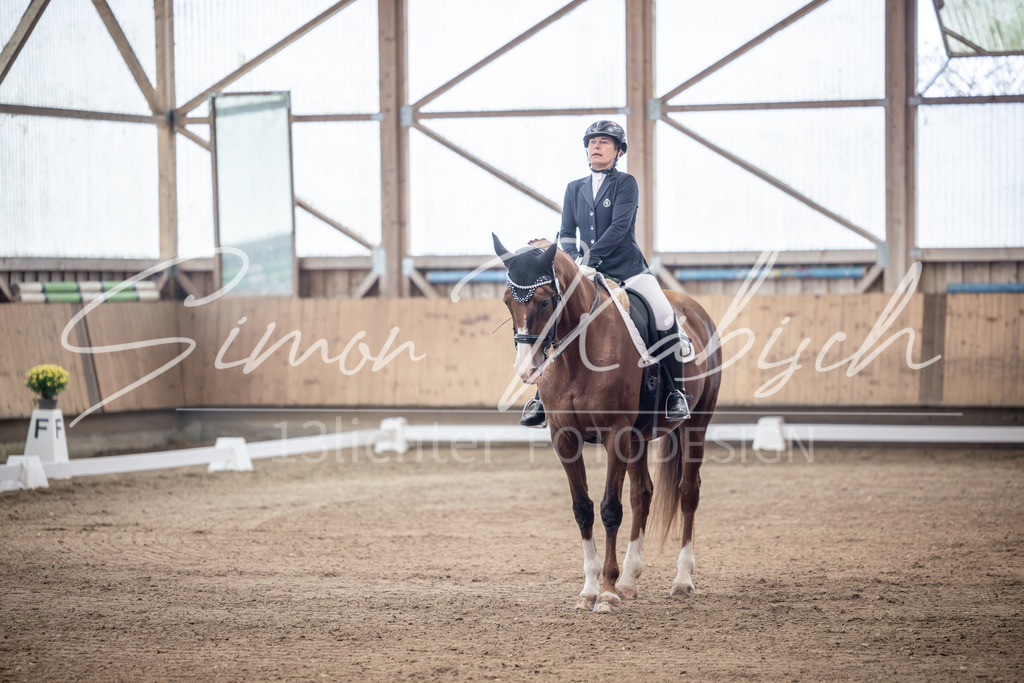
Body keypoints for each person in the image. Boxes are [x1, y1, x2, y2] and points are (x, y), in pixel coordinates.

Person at [520, 120, 691, 428]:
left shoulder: (626, 183)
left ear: (618, 151)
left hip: (627, 270)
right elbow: (566, 232)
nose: (596, 146)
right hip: (584, 271)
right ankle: (541, 397)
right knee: (555, 316)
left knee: (665, 316)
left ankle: (674, 392)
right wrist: (573, 260)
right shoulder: (574, 188)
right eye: (592, 142)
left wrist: (590, 258)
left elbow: (619, 228)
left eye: (604, 142)